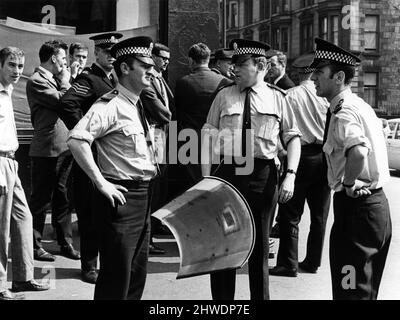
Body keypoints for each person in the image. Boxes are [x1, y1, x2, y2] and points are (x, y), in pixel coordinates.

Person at [201, 39, 301, 300]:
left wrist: (290, 176)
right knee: (225, 247)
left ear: (261, 65)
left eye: (241, 64)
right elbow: (207, 139)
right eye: (233, 63)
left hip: (262, 176)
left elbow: (293, 138)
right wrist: (205, 181)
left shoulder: (278, 98)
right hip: (227, 175)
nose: (234, 69)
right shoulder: (223, 95)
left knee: (259, 249)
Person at [67, 36, 157, 300]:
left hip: (143, 196)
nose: (151, 70)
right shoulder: (111, 104)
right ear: (125, 68)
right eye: (144, 65)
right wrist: (100, 182)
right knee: (116, 278)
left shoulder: (136, 103)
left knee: (136, 275)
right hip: (121, 199)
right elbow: (76, 139)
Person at [310, 37, 392, 299]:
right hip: (375, 209)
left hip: (357, 209)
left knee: (350, 290)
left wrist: (347, 183)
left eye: (319, 72)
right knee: (363, 290)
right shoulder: (360, 105)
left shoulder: (344, 112)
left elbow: (358, 151)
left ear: (339, 76)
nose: (313, 78)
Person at [58, 32, 122, 284]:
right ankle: (89, 266)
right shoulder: (89, 78)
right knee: (88, 212)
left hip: (110, 156)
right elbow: (67, 103)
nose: (111, 56)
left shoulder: (115, 79)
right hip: (91, 155)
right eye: (107, 52)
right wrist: (85, 132)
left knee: (107, 211)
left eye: (114, 52)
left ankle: (104, 263)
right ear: (97, 52)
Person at [270, 53, 331, 277]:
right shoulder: (326, 97)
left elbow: (282, 128)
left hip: (300, 155)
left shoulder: (290, 95)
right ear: (314, 73)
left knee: (290, 213)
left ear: (298, 72)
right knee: (319, 215)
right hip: (323, 157)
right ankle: (313, 260)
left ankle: (288, 263)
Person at [0, 46, 50, 300]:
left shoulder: (8, 92)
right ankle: (0, 285)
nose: (17, 71)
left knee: (23, 218)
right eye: (11, 65)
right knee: (1, 227)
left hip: (12, 162)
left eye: (20, 66)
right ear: (0, 65)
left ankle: (22, 278)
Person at [26, 40, 80, 262]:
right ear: (53, 59)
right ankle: (34, 244)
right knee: (40, 199)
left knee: (63, 197)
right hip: (46, 149)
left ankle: (64, 242)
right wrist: (67, 82)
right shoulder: (37, 81)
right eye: (63, 59)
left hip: (64, 148)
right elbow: (65, 101)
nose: (66, 64)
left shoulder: (54, 80)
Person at [176, 43, 232, 185]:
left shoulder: (183, 82)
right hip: (218, 141)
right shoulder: (225, 82)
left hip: (190, 142)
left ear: (190, 60)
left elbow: (178, 113)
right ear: (208, 59)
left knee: (193, 184)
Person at [140, 43, 175, 255]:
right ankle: (148, 237)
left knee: (160, 185)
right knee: (153, 186)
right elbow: (163, 112)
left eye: (168, 58)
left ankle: (153, 227)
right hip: (153, 135)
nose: (167, 61)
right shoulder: (148, 80)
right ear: (153, 57)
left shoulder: (160, 79)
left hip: (163, 135)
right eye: (163, 57)